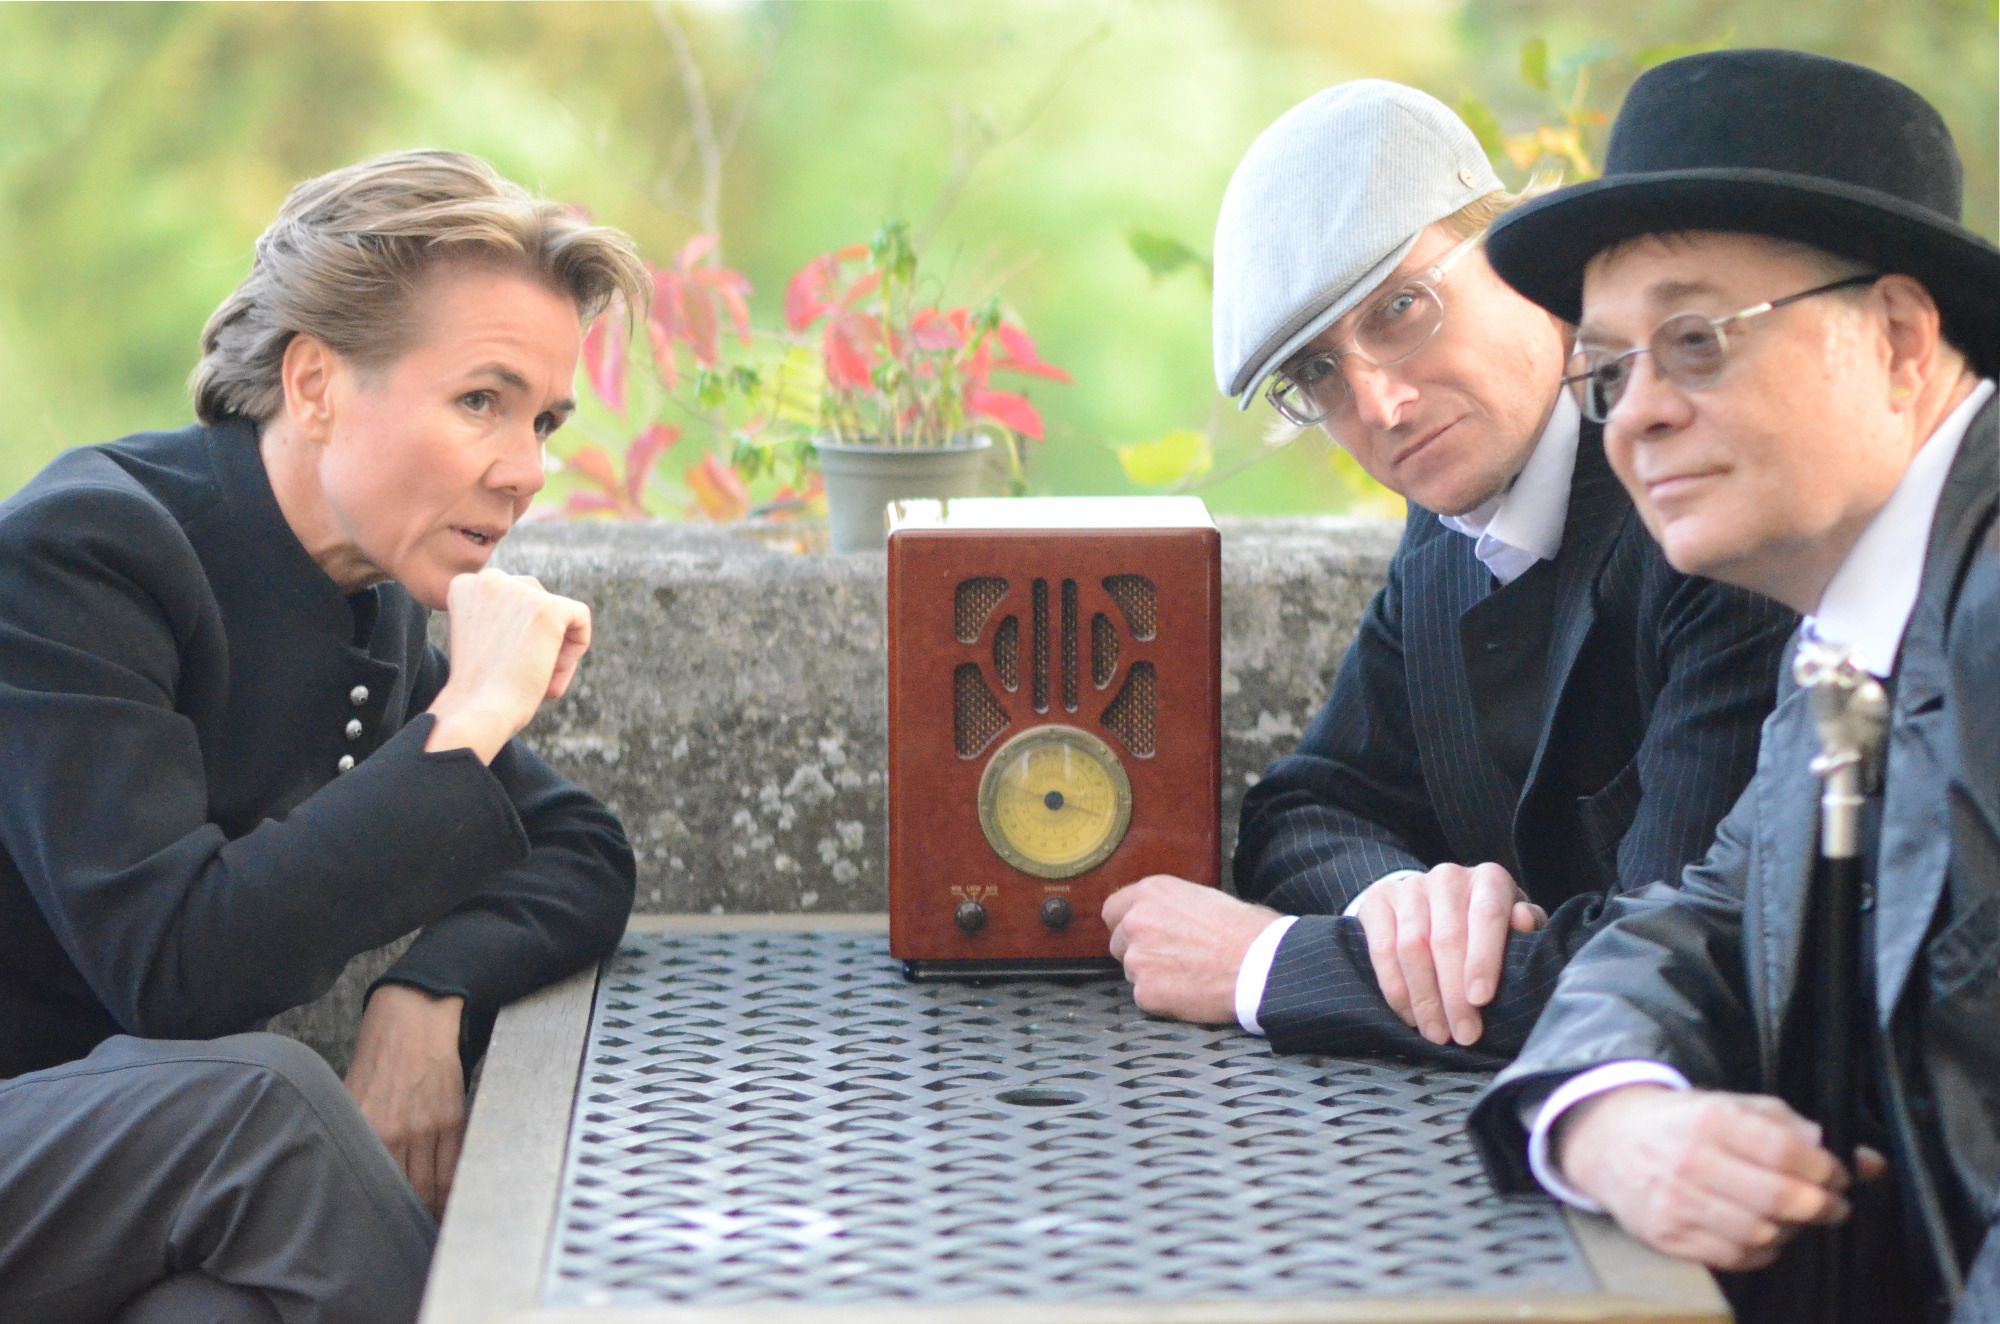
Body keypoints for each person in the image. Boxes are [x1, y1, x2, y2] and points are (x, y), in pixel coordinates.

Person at [0, 150, 647, 1323]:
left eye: (544, 419)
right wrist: (466, 717)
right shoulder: (82, 556)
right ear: (313, 386)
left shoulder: (367, 597)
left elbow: (578, 849)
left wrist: (427, 994)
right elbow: (174, 972)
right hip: (48, 1135)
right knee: (267, 1109)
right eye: (481, 400)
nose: (527, 470)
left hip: (104, 1172)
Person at [1462, 50, 1998, 1323]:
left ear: (1897, 339)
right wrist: (1609, 1116)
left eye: (1694, 341)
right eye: (1606, 371)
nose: (1632, 416)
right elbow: (1698, 921)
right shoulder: (1849, 626)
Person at [1101, 81, 1795, 1065]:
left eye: (1400, 309)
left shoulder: (1706, 513)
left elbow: (1679, 976)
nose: (1379, 404)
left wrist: (1270, 964)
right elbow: (1309, 805)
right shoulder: (1445, 522)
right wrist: (1398, 907)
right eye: (1317, 373)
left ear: (1521, 258)